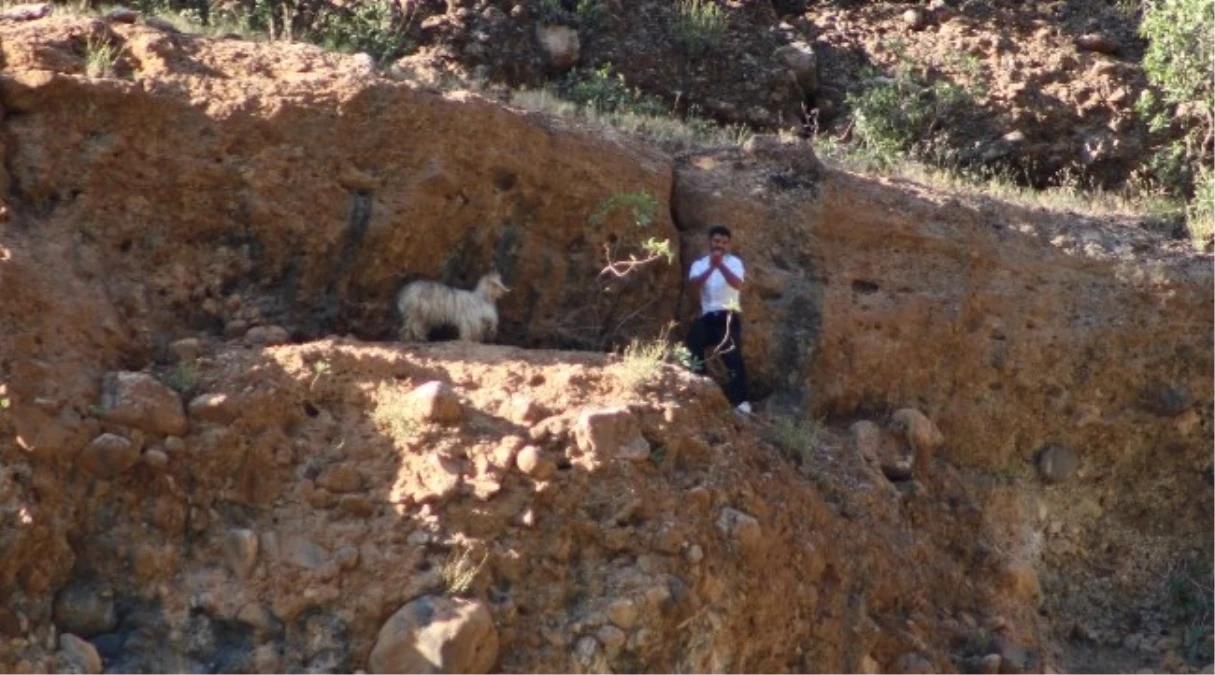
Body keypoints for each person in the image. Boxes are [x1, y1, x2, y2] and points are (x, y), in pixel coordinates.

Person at [685, 224, 750, 413]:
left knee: (732, 357)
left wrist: (720, 265)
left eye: (723, 242)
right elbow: (694, 285)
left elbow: (737, 284)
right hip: (707, 316)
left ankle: (741, 402)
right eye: (716, 241)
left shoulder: (734, 263)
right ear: (709, 242)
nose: (719, 245)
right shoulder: (699, 264)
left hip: (727, 316)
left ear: (728, 245)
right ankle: (701, 389)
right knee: (693, 342)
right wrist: (711, 267)